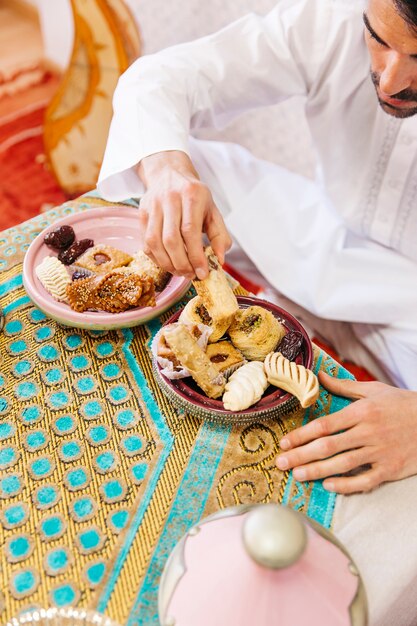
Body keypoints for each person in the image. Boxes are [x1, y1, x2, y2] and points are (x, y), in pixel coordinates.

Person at [98, 1, 417, 622]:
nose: (389, 80)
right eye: (379, 42)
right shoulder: (338, 19)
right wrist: (167, 171)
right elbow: (161, 78)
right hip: (324, 242)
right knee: (182, 163)